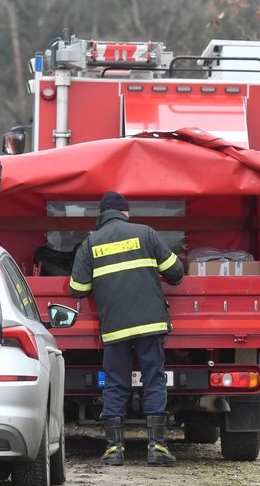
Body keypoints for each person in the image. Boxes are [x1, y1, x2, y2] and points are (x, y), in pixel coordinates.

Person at [69, 191, 185, 466]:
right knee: (154, 379)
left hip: (115, 328)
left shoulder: (90, 243)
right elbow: (176, 273)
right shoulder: (146, 233)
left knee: (115, 383)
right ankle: (157, 447)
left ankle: (113, 450)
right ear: (126, 213)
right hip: (150, 323)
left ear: (101, 215)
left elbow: (77, 289)